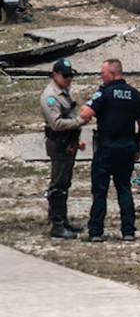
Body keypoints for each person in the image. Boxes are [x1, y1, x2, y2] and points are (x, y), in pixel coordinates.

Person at [78, 59, 140, 243]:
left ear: (113, 73)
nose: (101, 77)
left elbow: (85, 113)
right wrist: (137, 147)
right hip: (127, 147)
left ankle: (96, 231)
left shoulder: (104, 93)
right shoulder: (136, 95)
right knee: (124, 189)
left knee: (100, 191)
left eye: (103, 73)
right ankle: (128, 231)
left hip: (107, 147)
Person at [40, 59, 85, 239]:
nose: (69, 79)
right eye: (65, 76)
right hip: (59, 142)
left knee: (65, 182)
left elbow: (69, 113)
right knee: (58, 183)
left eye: (71, 75)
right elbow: (57, 123)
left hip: (68, 142)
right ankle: (57, 224)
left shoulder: (65, 92)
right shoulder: (50, 96)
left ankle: (63, 220)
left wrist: (77, 137)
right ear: (55, 75)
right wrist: (79, 122)